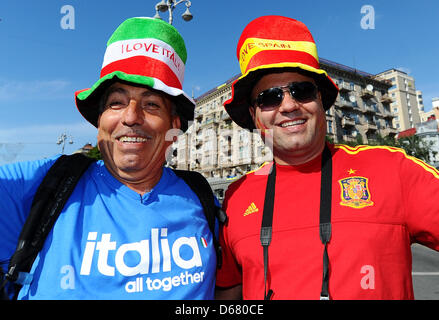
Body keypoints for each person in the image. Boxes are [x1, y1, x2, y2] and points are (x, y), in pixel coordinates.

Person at [215, 15, 439, 300]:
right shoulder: (234, 199)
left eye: (302, 90)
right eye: (269, 97)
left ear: (321, 101)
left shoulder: (392, 170)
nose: (288, 105)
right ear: (253, 114)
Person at [0, 17, 217, 299]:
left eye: (151, 104)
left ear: (173, 128)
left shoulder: (201, 198)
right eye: (116, 102)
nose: (130, 117)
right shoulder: (39, 186)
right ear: (99, 121)